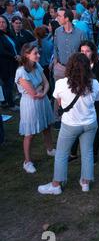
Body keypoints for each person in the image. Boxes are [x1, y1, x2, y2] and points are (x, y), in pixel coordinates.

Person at [37, 53, 99, 195]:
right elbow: (94, 99)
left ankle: (56, 185)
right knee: (87, 152)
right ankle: (85, 183)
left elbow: (59, 102)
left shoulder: (61, 84)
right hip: (90, 123)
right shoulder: (94, 83)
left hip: (70, 124)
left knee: (61, 154)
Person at [15, 44, 55, 174]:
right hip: (30, 104)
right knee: (30, 133)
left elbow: (47, 83)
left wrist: (43, 92)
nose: (38, 55)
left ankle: (50, 149)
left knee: (47, 126)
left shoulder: (37, 66)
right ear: (26, 55)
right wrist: (42, 91)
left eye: (38, 53)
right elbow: (32, 93)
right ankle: (27, 161)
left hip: (42, 99)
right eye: (35, 53)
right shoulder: (21, 72)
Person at [69, 41, 99, 164]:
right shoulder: (76, 66)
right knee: (76, 127)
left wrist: (92, 97)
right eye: (82, 51)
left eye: (87, 51)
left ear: (93, 52)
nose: (84, 53)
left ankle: (94, 153)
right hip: (79, 104)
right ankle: (73, 152)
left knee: (95, 129)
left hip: (97, 103)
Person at [0, 15, 20, 111]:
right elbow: (2, 51)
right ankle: (10, 104)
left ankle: (9, 100)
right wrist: (14, 56)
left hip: (12, 63)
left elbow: (15, 46)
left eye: (3, 22)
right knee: (7, 83)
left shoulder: (8, 33)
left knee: (10, 83)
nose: (1, 24)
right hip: (4, 64)